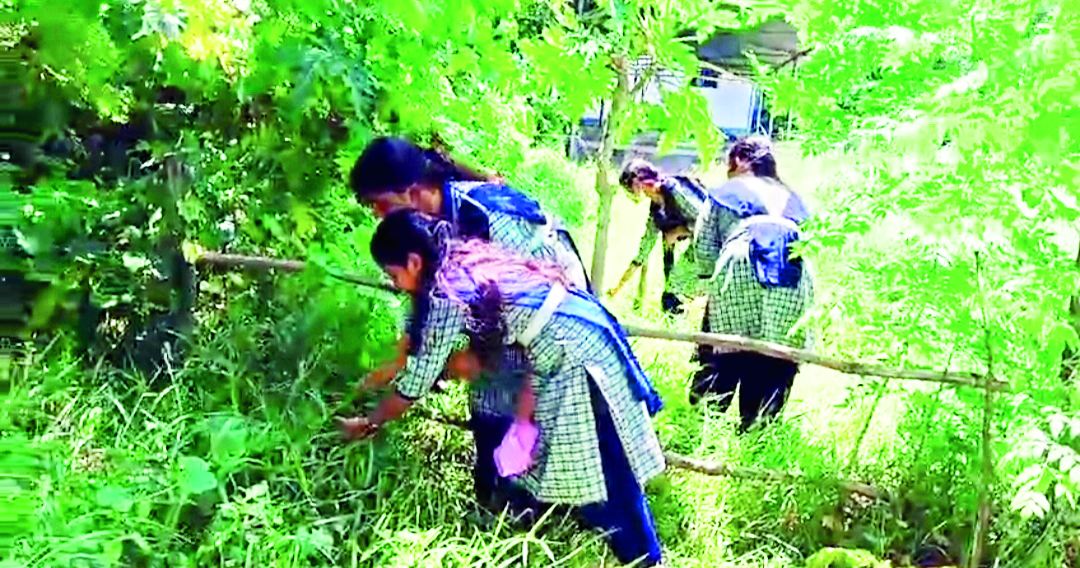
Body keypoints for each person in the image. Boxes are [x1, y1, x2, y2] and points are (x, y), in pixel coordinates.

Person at [339, 209, 666, 567]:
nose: (396, 285)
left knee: (607, 475)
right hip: (574, 337)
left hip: (574, 356)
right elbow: (524, 342)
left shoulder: (446, 290)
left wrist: (370, 421)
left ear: (414, 262)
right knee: (590, 466)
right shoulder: (463, 257)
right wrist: (524, 419)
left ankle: (645, 561)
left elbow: (416, 380)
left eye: (393, 274)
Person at [350, 136, 590, 291]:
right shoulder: (446, 217)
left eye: (380, 205)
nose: (378, 215)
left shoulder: (481, 217)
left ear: (413, 192)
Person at [690, 135, 814, 433]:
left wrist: (711, 283)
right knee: (775, 357)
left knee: (721, 352)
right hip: (793, 273)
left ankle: (705, 432)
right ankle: (758, 433)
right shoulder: (796, 200)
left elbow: (704, 250)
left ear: (739, 161)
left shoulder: (724, 192)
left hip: (740, 261)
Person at [607, 158, 708, 315]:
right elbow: (643, 251)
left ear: (639, 182)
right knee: (671, 296)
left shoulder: (675, 191)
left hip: (715, 244)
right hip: (698, 248)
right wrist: (618, 288)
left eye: (630, 186)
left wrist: (680, 231)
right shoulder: (656, 209)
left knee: (676, 294)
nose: (629, 192)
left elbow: (709, 222)